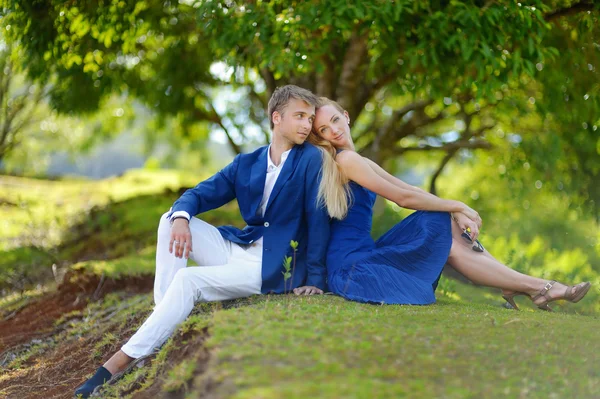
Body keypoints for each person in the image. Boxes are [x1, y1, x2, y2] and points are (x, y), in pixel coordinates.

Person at [75, 85, 330, 397]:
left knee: (188, 279)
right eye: (300, 116)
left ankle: (116, 365)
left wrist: (315, 278)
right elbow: (199, 194)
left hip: (272, 267)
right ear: (276, 118)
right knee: (170, 220)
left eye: (310, 118)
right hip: (238, 249)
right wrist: (182, 218)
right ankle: (162, 322)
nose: (307, 124)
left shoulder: (311, 160)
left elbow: (318, 220)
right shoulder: (247, 163)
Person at [308, 97, 591, 309]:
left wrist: (455, 209)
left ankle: (523, 286)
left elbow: (409, 188)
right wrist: (458, 206)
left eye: (334, 120)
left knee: (439, 220)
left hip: (364, 256)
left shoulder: (357, 160)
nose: (332, 130)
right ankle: (537, 286)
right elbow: (404, 199)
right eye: (322, 129)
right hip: (353, 269)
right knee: (444, 230)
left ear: (346, 116)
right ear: (320, 137)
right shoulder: (345, 160)